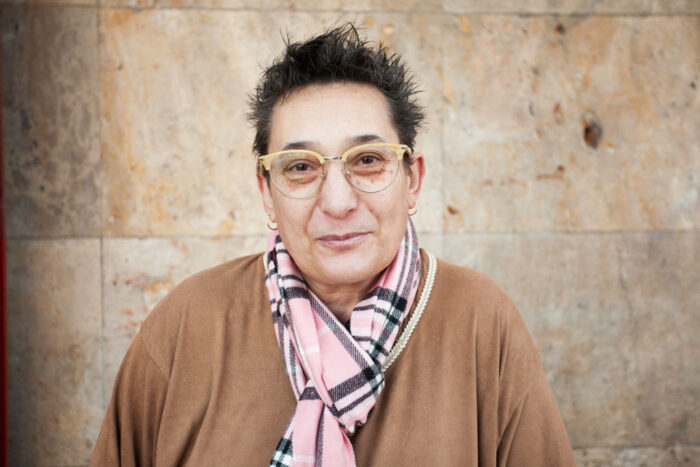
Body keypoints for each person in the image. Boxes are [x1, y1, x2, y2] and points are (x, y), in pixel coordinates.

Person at [91, 24, 575, 466]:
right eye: (301, 167)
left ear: (413, 181)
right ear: (267, 193)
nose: (338, 202)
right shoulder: (187, 324)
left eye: (368, 160)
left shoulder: (481, 320)